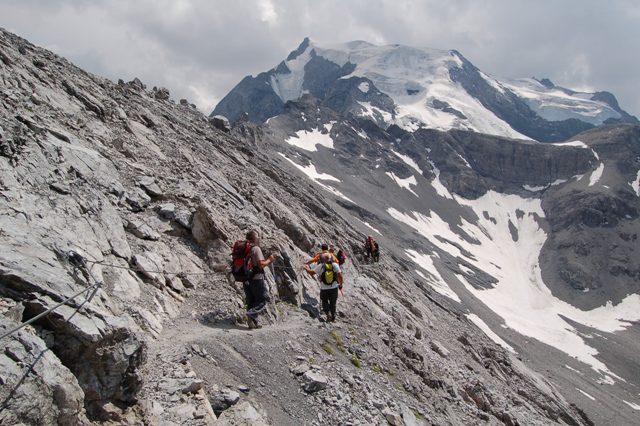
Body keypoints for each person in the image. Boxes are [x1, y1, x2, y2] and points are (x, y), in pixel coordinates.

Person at [243, 229, 274, 329]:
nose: (259, 238)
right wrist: (270, 260)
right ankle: (251, 314)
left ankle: (254, 323)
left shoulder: (245, 249)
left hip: (246, 279)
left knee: (251, 300)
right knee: (263, 298)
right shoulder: (256, 248)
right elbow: (261, 265)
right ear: (254, 238)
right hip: (257, 278)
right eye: (258, 236)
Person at [310, 252, 343, 322]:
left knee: (324, 302)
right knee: (333, 303)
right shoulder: (335, 265)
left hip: (324, 288)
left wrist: (305, 268)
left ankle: (328, 313)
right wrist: (340, 284)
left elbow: (312, 273)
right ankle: (333, 317)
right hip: (334, 288)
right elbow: (340, 275)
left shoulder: (321, 266)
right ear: (330, 258)